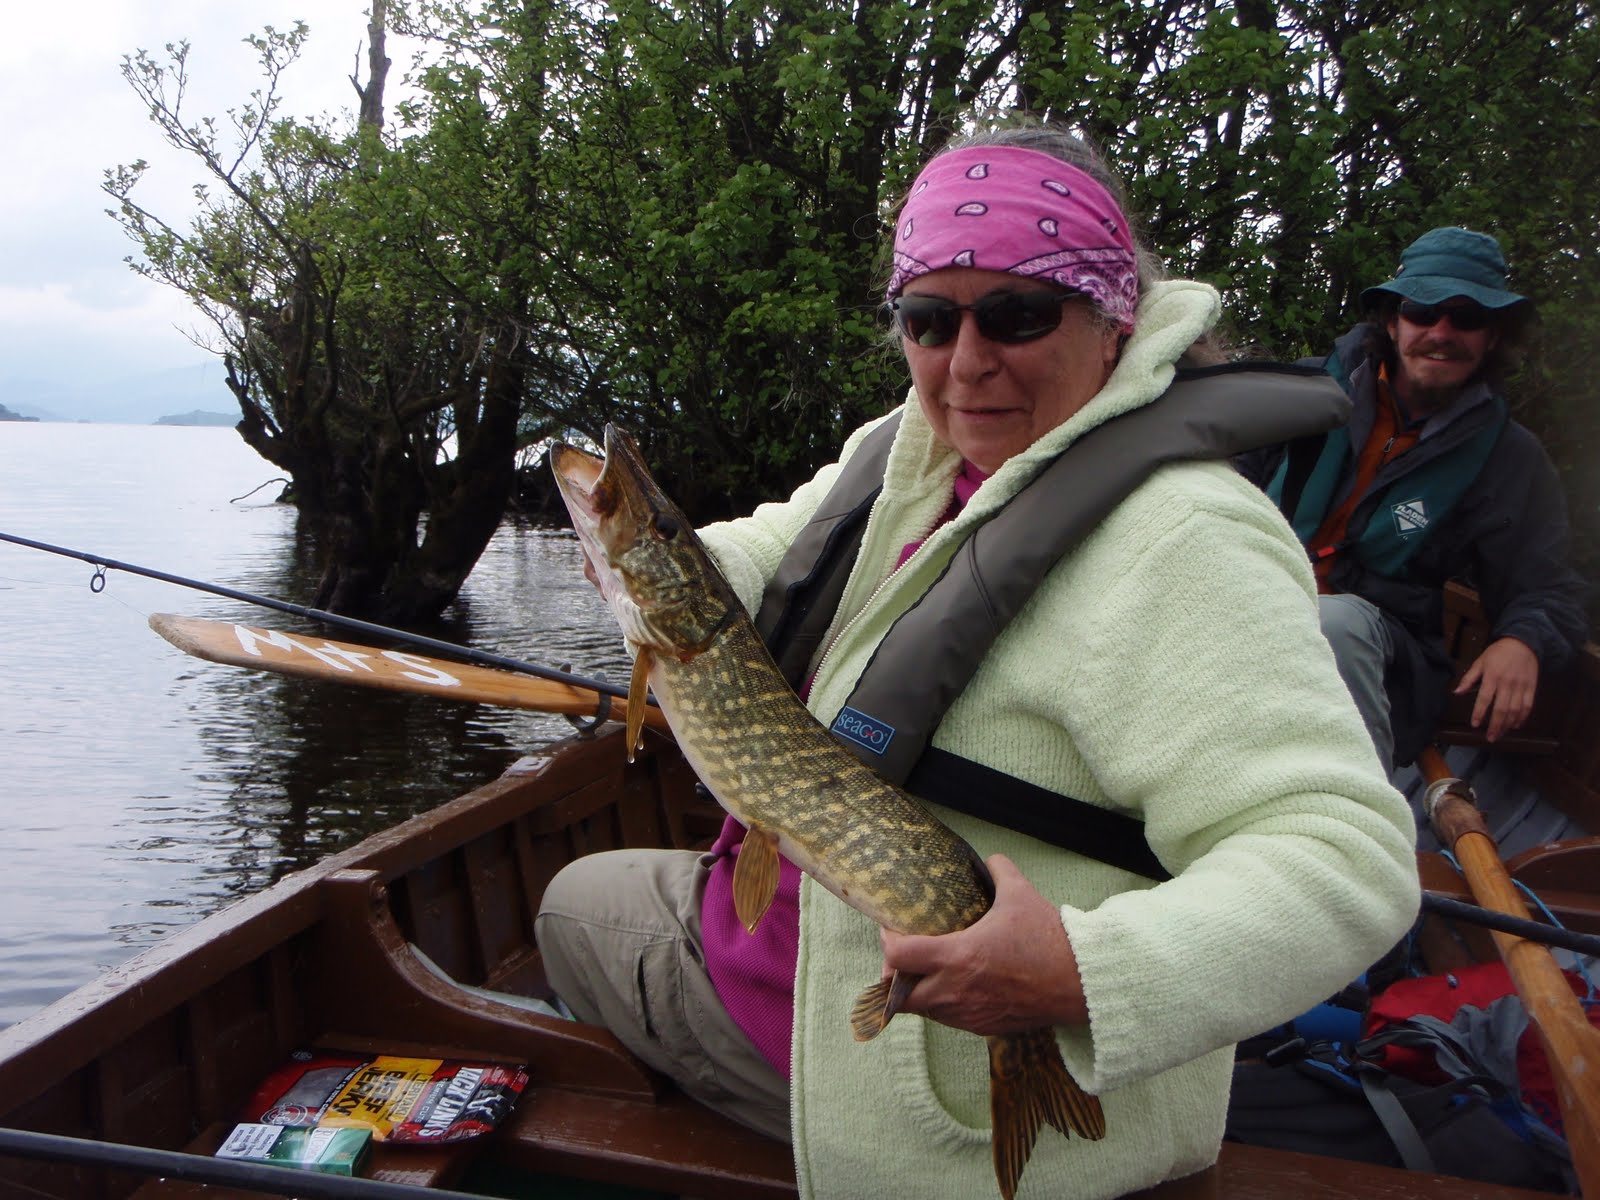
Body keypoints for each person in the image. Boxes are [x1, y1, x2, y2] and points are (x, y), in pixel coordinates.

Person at [535, 123, 1419, 1199]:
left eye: (1016, 314)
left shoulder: (1183, 539)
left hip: (902, 1073)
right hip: (790, 927)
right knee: (612, 890)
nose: (965, 362)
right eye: (927, 319)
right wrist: (653, 566)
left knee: (575, 908)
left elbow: (1347, 860)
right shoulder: (911, 446)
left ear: (1112, 318)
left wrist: (1080, 976)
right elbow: (770, 550)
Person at [1238, 227, 1589, 772]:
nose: (1442, 332)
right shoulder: (1302, 393)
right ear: (1391, 320)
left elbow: (1547, 587)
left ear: (1493, 336)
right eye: (1424, 311)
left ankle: (1352, 824)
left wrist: (1524, 641)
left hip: (1378, 644)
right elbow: (1210, 485)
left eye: (1467, 318)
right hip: (1246, 602)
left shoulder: (1510, 458)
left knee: (1332, 623)